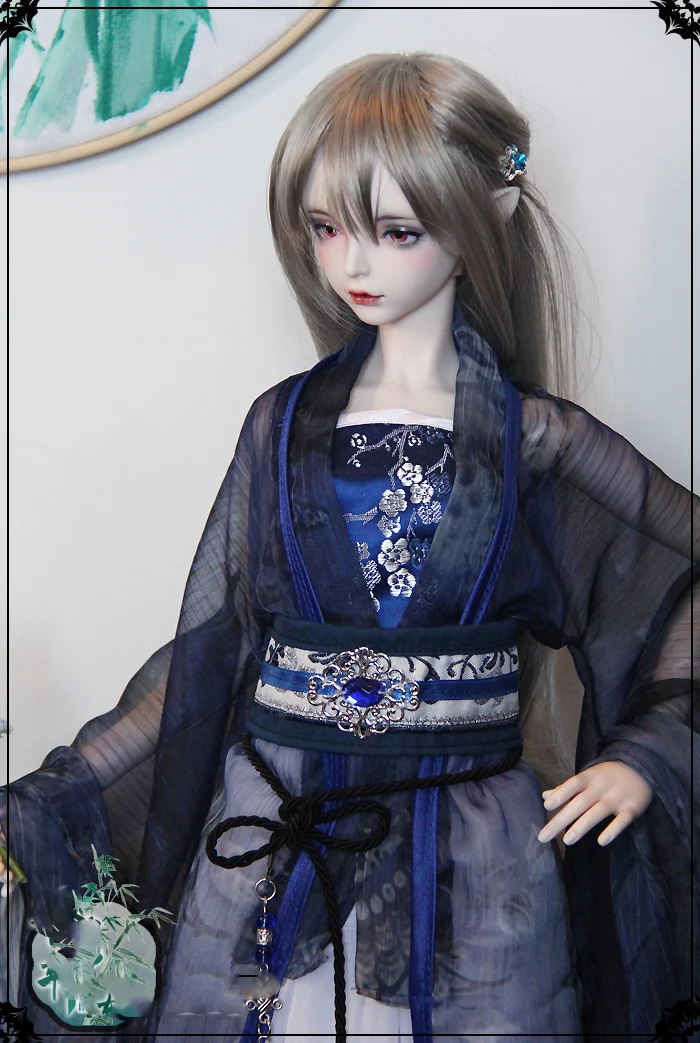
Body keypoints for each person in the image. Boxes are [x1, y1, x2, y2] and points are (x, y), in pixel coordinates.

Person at [2, 52, 697, 1043]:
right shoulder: (279, 427)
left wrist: (650, 750)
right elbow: (211, 657)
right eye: (326, 228)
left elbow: (680, 582)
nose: (354, 265)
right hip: (272, 834)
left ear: (489, 213)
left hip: (468, 853)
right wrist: (54, 797)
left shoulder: (534, 442)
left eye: (396, 231)